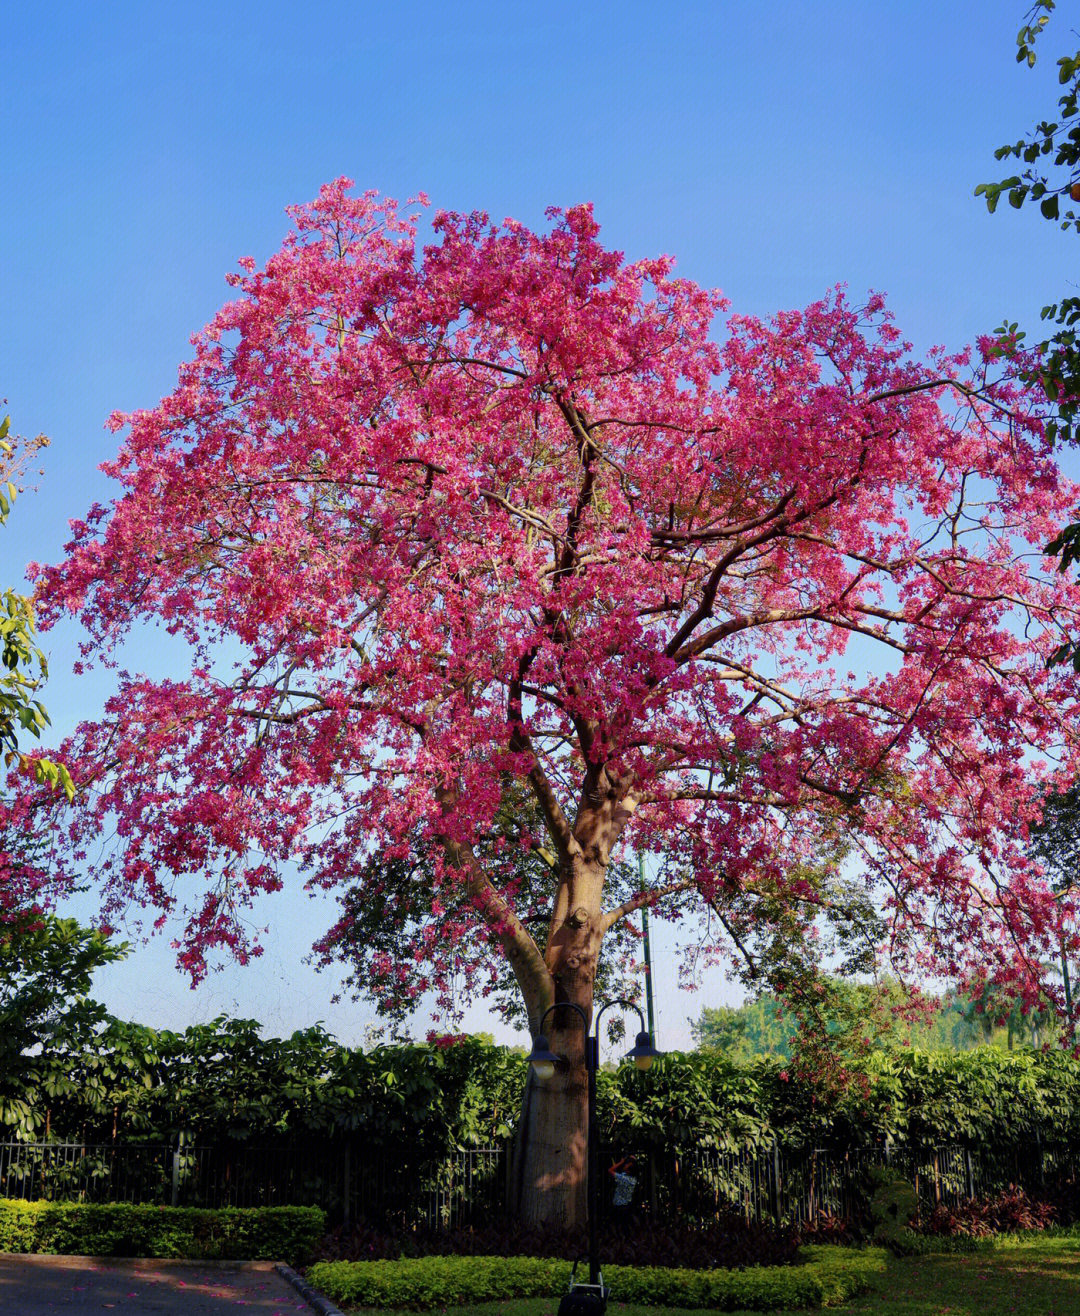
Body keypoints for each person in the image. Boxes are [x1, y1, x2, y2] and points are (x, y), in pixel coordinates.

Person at [608, 1155, 638, 1224]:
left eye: (627, 1165)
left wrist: (621, 1162)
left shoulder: (623, 1178)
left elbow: (610, 1170)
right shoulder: (633, 1179)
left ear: (629, 1170)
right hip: (627, 1206)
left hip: (619, 1206)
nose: (625, 1165)